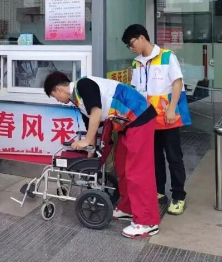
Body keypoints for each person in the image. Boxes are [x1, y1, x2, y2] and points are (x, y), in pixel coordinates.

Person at [44, 71, 160, 239]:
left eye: (55, 97)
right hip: (126, 124)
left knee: (138, 172)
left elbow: (96, 112)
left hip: (140, 116)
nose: (58, 100)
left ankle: (148, 222)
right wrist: (89, 155)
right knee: (122, 167)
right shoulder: (79, 102)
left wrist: (86, 141)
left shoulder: (83, 85)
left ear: (59, 89)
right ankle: (128, 208)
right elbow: (92, 127)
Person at [122, 24, 191, 215]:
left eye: (131, 43)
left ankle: (178, 196)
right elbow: (136, 91)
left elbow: (177, 82)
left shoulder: (167, 56)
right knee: (154, 157)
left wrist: (172, 109)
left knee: (174, 157)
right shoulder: (136, 63)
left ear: (141, 37)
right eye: (128, 46)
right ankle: (159, 191)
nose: (131, 48)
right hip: (148, 120)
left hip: (168, 118)